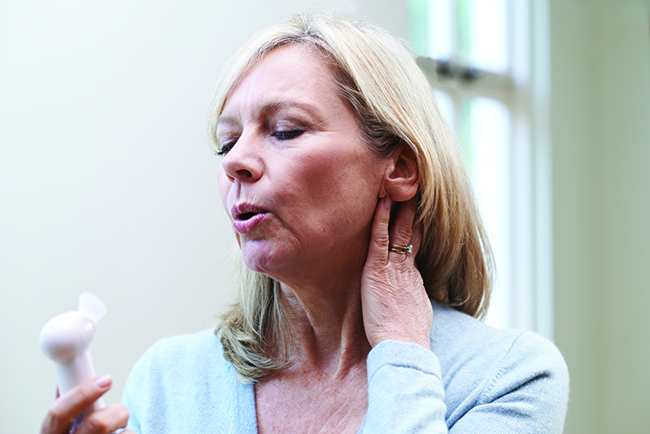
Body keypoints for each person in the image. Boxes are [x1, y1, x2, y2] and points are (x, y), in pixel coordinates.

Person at [41, 12, 569, 434]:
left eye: (287, 130)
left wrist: (403, 353)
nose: (234, 162)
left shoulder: (507, 378)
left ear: (400, 168)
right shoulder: (168, 380)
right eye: (226, 142)